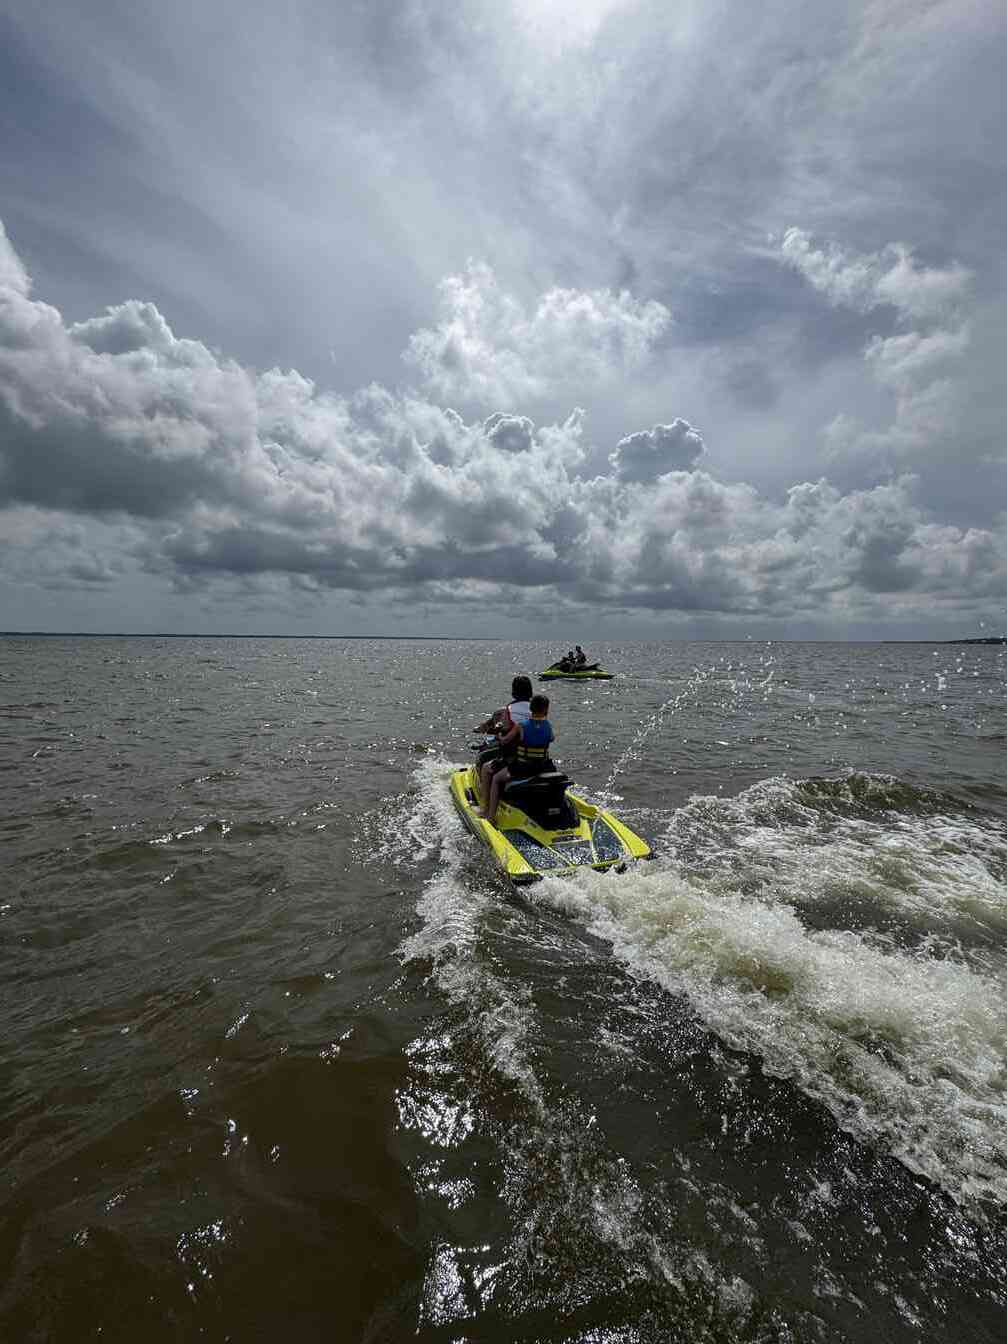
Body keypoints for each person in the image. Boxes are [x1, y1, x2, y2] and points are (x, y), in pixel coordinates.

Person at [480, 693, 555, 826]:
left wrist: (498, 736)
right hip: (543, 767)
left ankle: (490, 816)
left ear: (531, 709)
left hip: (523, 768)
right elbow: (551, 738)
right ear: (546, 710)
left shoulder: (521, 726)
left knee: (497, 779)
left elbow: (505, 741)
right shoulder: (548, 725)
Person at [473, 675, 533, 803]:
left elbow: (504, 733)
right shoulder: (536, 709)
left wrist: (495, 732)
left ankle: (485, 805)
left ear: (514, 691)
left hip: (514, 758)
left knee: (485, 765)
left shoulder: (509, 710)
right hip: (536, 759)